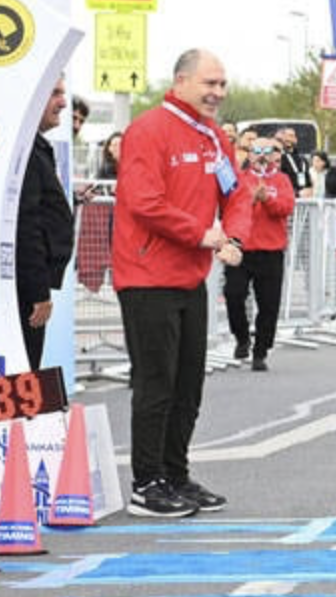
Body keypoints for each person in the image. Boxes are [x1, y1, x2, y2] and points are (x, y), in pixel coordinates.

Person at [113, 49, 241, 518]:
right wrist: (200, 233)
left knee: (188, 385)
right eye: (210, 82)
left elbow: (237, 192)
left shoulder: (213, 138)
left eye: (223, 84)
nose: (217, 93)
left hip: (191, 278)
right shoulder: (148, 130)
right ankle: (146, 483)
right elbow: (142, 201)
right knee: (156, 383)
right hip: (147, 277)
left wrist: (236, 236)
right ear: (181, 81)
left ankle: (175, 475)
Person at [14, 76, 77, 374]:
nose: (63, 102)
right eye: (55, 93)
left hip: (27, 287)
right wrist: (38, 290)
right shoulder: (24, 150)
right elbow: (27, 225)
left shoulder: (34, 146)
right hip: (24, 291)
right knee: (23, 371)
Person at [221, 138, 294, 371]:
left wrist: (267, 199)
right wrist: (250, 201)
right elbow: (229, 208)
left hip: (271, 250)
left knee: (269, 304)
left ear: (275, 155)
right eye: (256, 151)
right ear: (249, 154)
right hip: (241, 248)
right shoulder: (240, 179)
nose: (262, 155)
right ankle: (242, 337)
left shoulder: (282, 180)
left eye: (267, 151)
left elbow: (286, 207)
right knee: (233, 294)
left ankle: (261, 351)